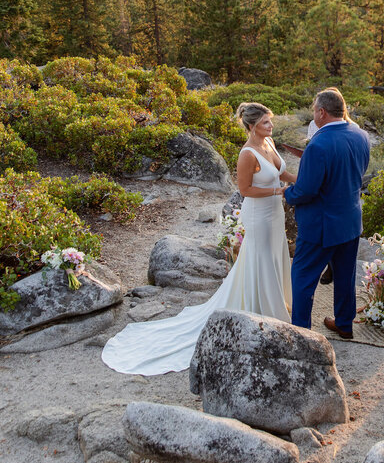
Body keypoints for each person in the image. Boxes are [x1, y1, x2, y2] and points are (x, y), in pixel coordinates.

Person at [101, 102, 295, 375]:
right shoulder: (247, 154)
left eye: (270, 121)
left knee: (276, 253)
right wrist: (278, 193)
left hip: (275, 214)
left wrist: (297, 180)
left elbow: (280, 172)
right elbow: (246, 190)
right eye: (265, 122)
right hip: (259, 214)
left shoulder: (269, 143)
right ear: (251, 125)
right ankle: (261, 306)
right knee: (260, 256)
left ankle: (278, 300)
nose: (270, 126)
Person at [283, 88, 371, 339]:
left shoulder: (318, 145)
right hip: (351, 220)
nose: (314, 115)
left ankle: (301, 332)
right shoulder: (361, 135)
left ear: (321, 112)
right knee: (345, 275)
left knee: (302, 276)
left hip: (321, 225)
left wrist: (288, 194)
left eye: (314, 110)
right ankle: (344, 324)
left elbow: (306, 190)